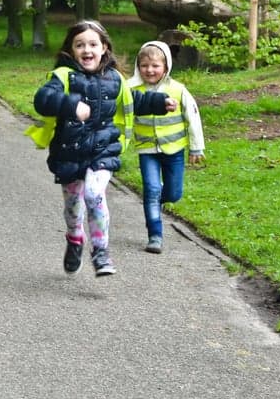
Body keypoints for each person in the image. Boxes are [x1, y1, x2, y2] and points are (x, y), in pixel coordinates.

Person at [31, 20, 176, 276]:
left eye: (92, 44)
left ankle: (101, 251)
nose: (87, 50)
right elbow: (43, 100)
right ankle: (75, 238)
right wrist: (70, 105)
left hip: (102, 151)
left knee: (94, 194)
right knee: (74, 207)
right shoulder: (63, 77)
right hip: (70, 152)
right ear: (71, 50)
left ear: (104, 48)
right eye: (80, 45)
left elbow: (135, 100)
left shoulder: (115, 79)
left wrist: (159, 101)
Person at [128, 40, 205, 254]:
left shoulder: (178, 90)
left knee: (172, 193)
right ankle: (155, 235)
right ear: (138, 66)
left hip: (174, 150)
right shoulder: (130, 89)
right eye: (144, 66)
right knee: (152, 190)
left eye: (155, 66)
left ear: (166, 66)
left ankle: (154, 202)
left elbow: (193, 118)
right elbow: (120, 116)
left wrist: (196, 147)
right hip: (147, 150)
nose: (149, 70)